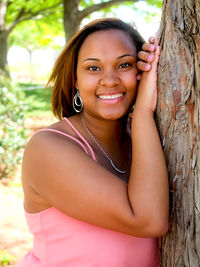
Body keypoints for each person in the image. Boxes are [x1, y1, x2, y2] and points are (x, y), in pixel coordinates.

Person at [18, 18, 169, 267]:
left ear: (142, 71)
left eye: (124, 65)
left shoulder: (150, 140)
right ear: (75, 79)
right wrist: (142, 109)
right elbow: (149, 220)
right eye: (93, 68)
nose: (110, 80)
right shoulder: (47, 149)